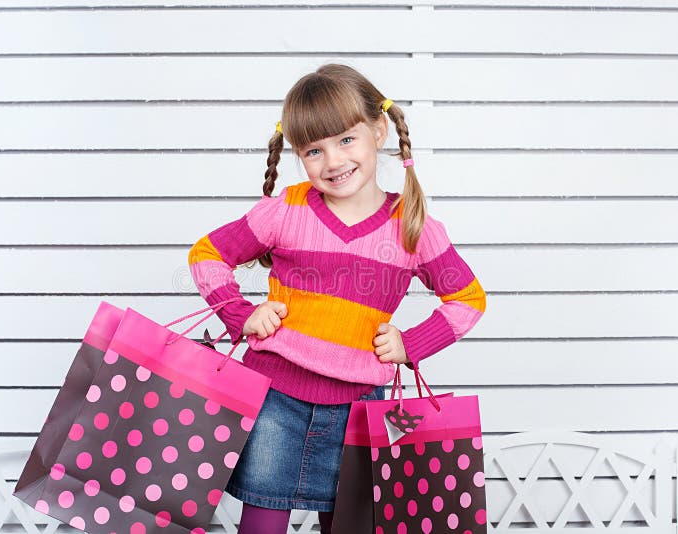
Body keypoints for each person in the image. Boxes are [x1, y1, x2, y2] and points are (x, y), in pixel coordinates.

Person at [188, 63, 487, 534]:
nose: (333, 161)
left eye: (346, 140)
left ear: (378, 129)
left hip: (359, 410)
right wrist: (241, 314)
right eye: (313, 150)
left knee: (348, 525)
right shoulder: (285, 209)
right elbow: (207, 255)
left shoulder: (413, 227)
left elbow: (468, 298)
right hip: (273, 401)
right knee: (261, 524)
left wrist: (412, 343)